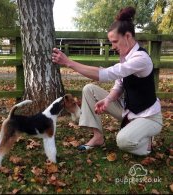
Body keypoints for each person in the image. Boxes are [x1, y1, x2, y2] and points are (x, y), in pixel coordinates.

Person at [52, 6, 163, 155]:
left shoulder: (141, 59)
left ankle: (146, 141)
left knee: (123, 141)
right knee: (89, 89)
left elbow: (107, 74)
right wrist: (108, 100)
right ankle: (98, 137)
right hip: (129, 112)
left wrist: (69, 62)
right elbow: (119, 84)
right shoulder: (125, 56)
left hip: (149, 117)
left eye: (115, 41)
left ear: (128, 36)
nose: (112, 46)